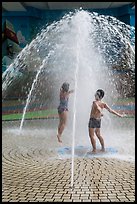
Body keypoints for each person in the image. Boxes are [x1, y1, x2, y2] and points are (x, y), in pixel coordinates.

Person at [88, 89, 126, 153]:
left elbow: (98, 108)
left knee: (91, 135)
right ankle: (103, 148)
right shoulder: (103, 103)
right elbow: (110, 110)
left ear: (98, 95)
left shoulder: (94, 102)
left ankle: (94, 150)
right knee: (98, 134)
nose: (95, 95)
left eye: (96, 94)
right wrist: (119, 115)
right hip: (98, 120)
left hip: (92, 120)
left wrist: (100, 112)